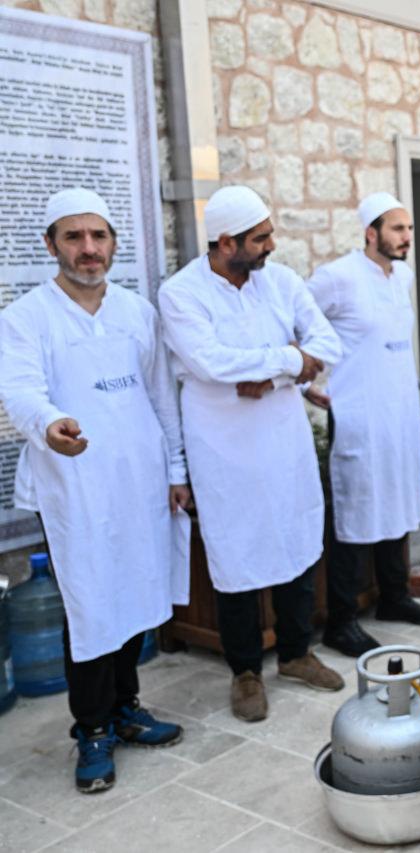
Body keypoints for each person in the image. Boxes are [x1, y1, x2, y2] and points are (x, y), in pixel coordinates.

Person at [0, 189, 188, 793]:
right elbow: (21, 389)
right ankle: (93, 729)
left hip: (138, 482)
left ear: (113, 242)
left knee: (135, 593)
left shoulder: (137, 312)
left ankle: (126, 708)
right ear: (51, 243)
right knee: (89, 606)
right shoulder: (25, 317)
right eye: (74, 237)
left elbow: (162, 397)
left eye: (98, 236)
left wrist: (176, 471)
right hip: (73, 489)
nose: (88, 249)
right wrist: (49, 426)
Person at [158, 185, 345, 722]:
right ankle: (244, 672)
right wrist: (291, 364)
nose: (271, 245)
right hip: (224, 446)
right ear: (225, 242)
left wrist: (271, 371)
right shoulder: (181, 293)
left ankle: (294, 654)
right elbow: (210, 362)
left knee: (296, 537)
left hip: (283, 438)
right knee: (235, 553)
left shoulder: (281, 281)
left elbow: (327, 343)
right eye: (260, 237)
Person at [307, 192, 420, 658]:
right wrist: (305, 383)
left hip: (399, 414)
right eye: (398, 229)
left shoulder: (400, 274)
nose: (407, 237)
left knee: (399, 502)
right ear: (371, 233)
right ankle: (341, 621)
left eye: (409, 229)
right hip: (360, 416)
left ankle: (394, 597)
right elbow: (296, 323)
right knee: (356, 511)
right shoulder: (337, 278)